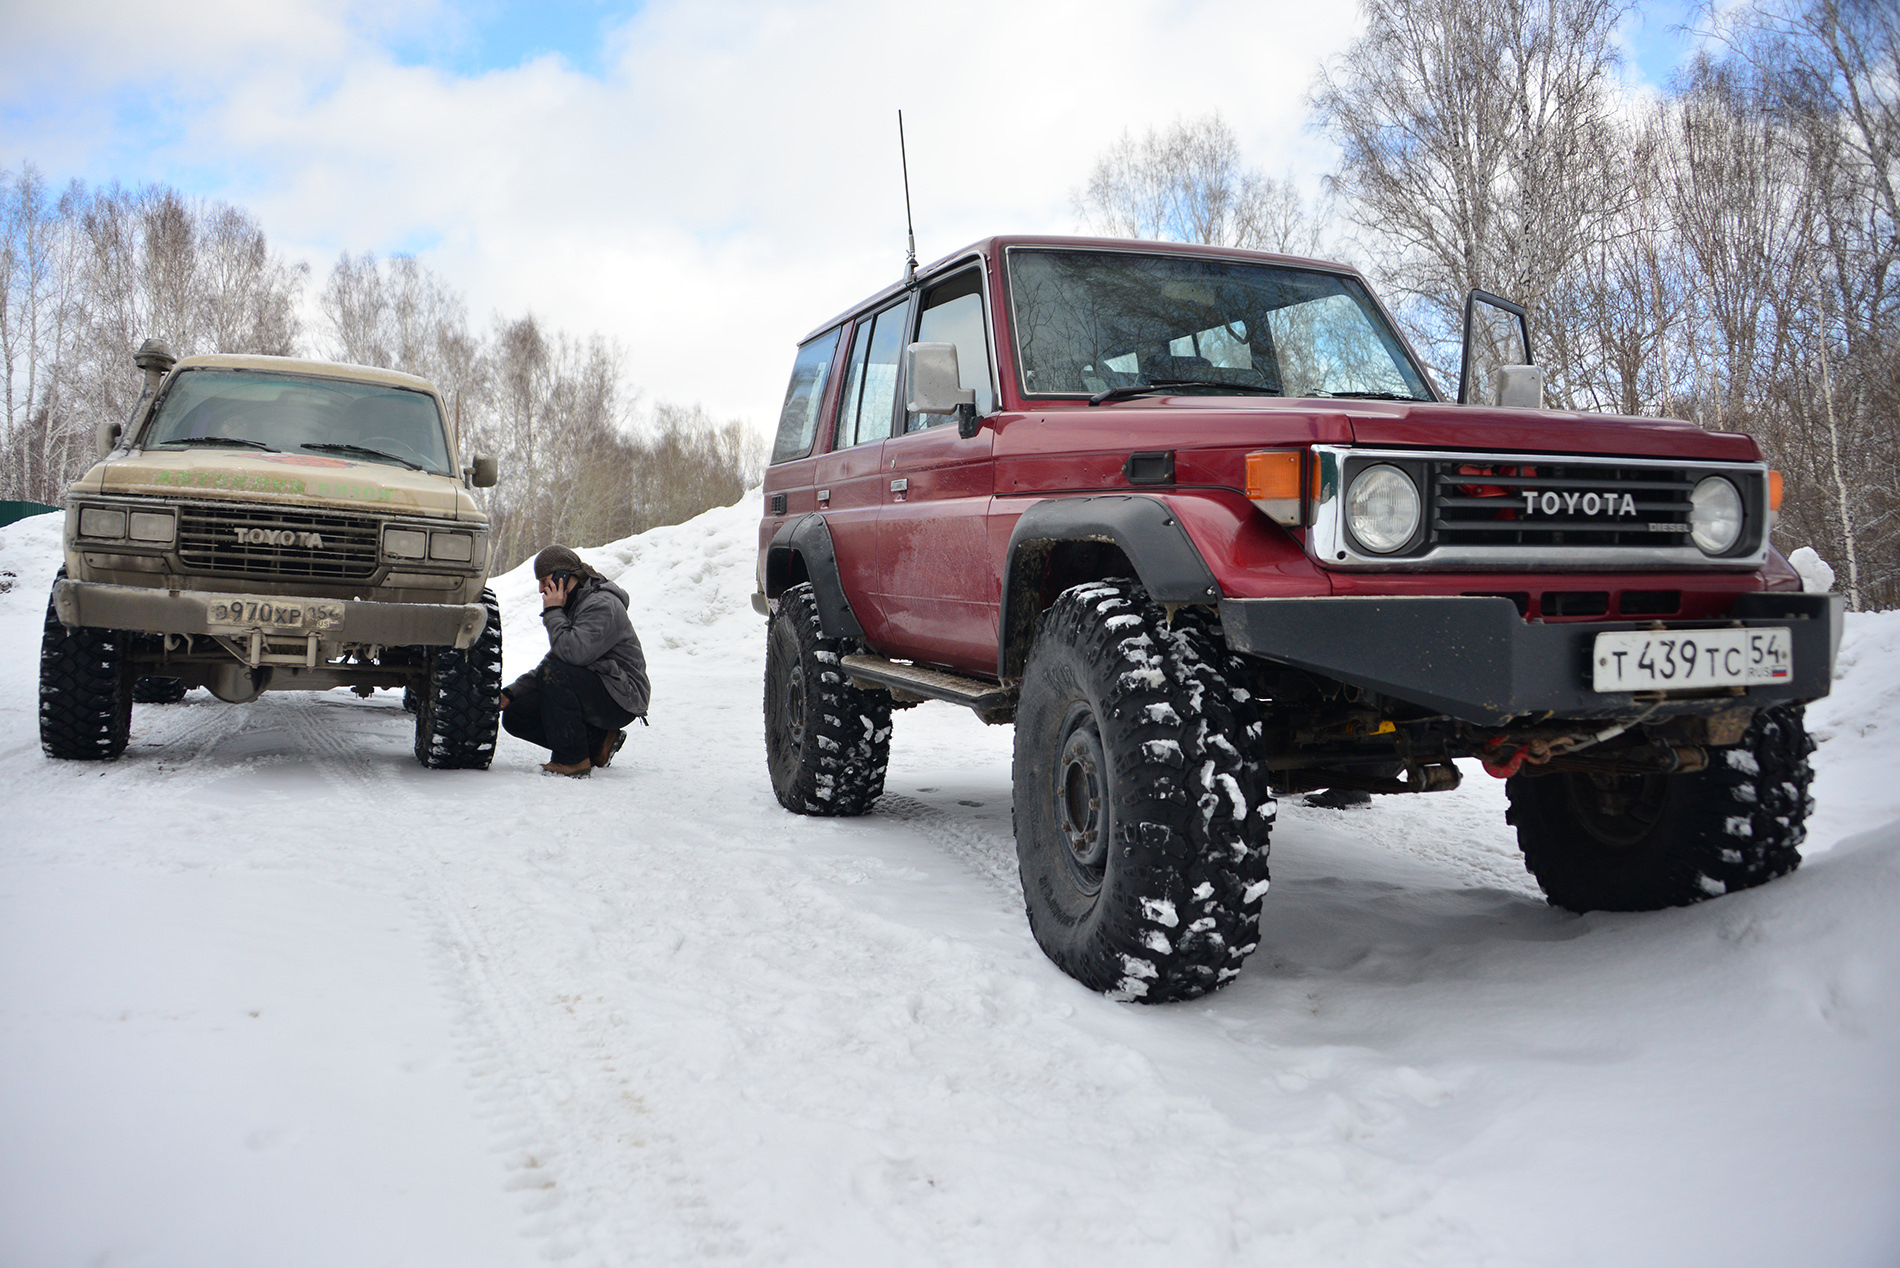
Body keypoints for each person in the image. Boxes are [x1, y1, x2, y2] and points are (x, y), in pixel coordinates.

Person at [500, 545, 650, 777]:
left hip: (622, 697)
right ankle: (599, 743)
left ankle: (572, 761)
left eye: (544, 580)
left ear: (563, 577)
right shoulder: (576, 603)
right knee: (517, 714)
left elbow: (572, 655)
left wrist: (552, 612)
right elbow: (556, 660)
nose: (540, 589)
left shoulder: (601, 605)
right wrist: (511, 694)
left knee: (556, 673)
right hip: (599, 686)